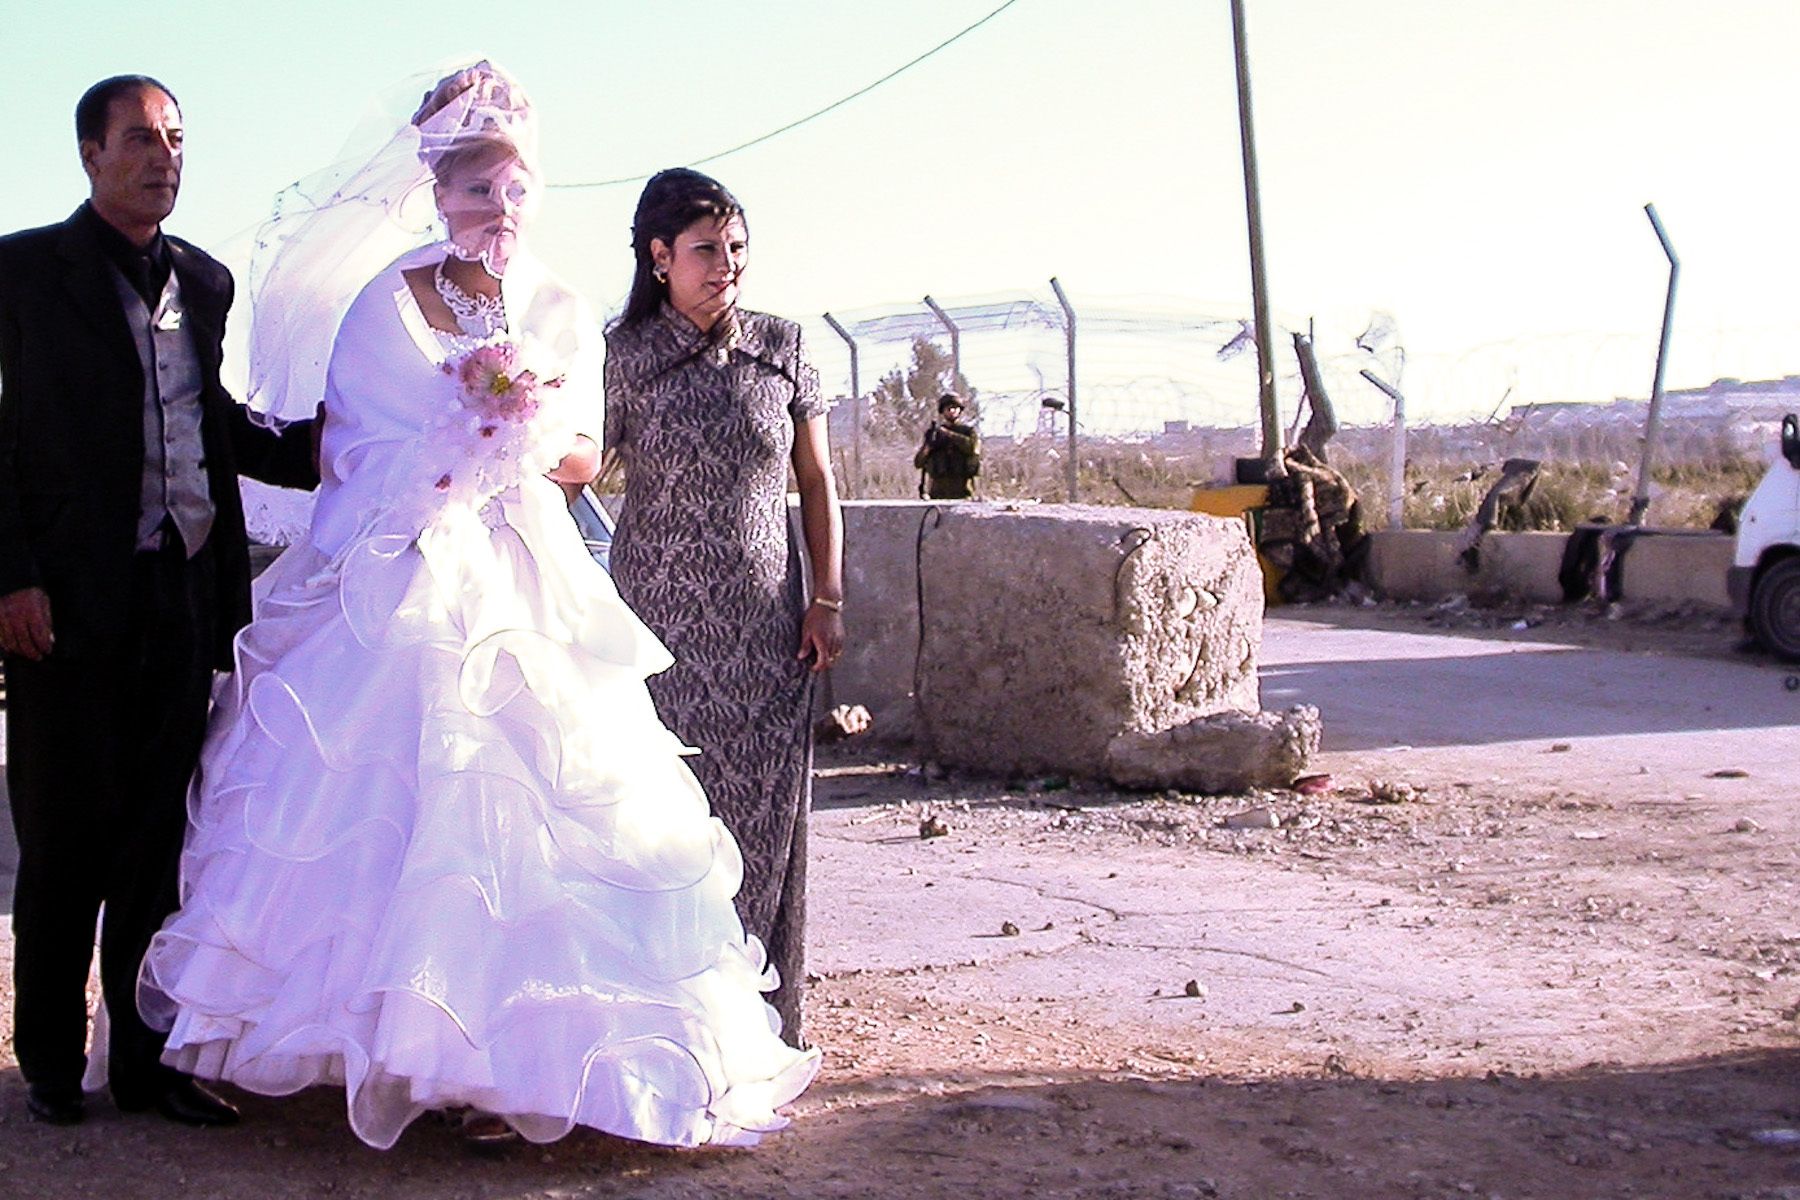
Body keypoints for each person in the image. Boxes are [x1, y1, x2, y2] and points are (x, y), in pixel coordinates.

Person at [138, 62, 818, 1150]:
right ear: (437, 192)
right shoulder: (383, 303)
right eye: (475, 191)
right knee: (402, 799)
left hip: (527, 572)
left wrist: (523, 430)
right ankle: (401, 1042)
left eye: (515, 191)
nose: (498, 211)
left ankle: (519, 1069)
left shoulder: (556, 305)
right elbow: (347, 449)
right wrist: (454, 437)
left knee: (548, 799)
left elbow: (586, 455)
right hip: (405, 565)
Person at [0, 75, 320, 1129]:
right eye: (140, 138)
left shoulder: (205, 281)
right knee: (63, 840)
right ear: (90, 154)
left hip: (181, 594)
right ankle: (52, 1063)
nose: (163, 157)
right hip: (62, 604)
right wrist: (10, 574)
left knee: (158, 843)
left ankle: (145, 1062)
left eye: (176, 138)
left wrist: (324, 445)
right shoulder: (22, 273)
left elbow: (205, 415)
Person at [603, 168, 844, 1047]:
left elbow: (815, 480)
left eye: (736, 247)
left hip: (767, 633)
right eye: (707, 249)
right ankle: (662, 1023)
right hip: (657, 633)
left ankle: (756, 1028)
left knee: (762, 823)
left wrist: (827, 596)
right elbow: (574, 470)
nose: (727, 264)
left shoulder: (782, 347)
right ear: (660, 257)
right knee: (664, 822)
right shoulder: (619, 357)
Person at [914, 393, 980, 500]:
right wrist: (928, 447)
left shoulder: (968, 432)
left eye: (955, 408)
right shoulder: (934, 434)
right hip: (938, 491)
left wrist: (948, 434)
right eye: (948, 408)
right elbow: (918, 463)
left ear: (960, 411)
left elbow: (972, 448)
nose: (951, 411)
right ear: (943, 411)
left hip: (963, 489)